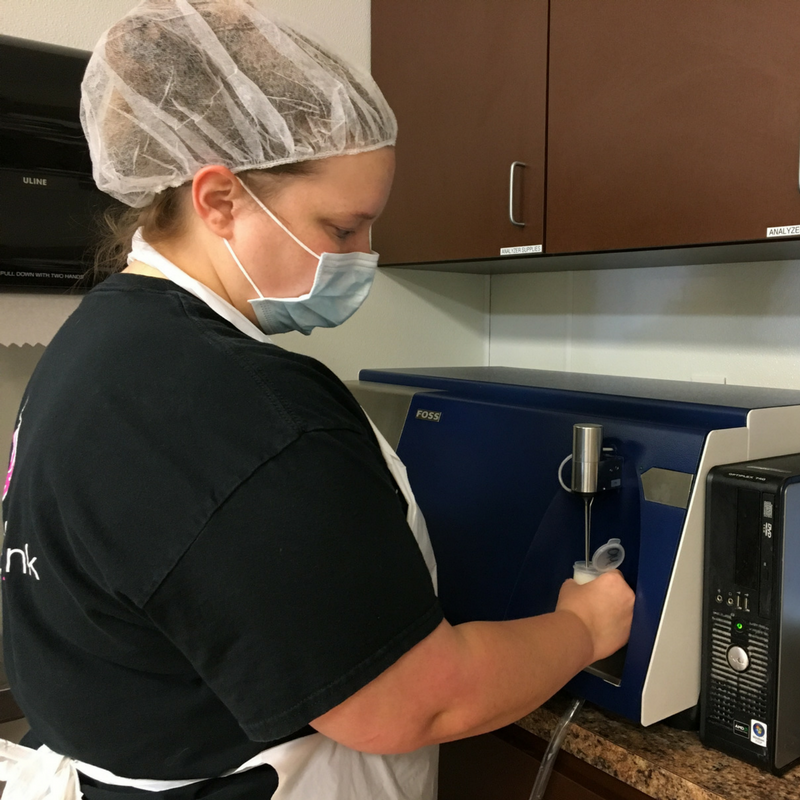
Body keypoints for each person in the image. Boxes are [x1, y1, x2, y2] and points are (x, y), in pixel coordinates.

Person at [0, 1, 635, 798]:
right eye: (342, 230)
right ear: (219, 199)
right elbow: (419, 703)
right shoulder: (237, 406)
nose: (364, 258)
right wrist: (582, 628)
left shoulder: (100, 342)